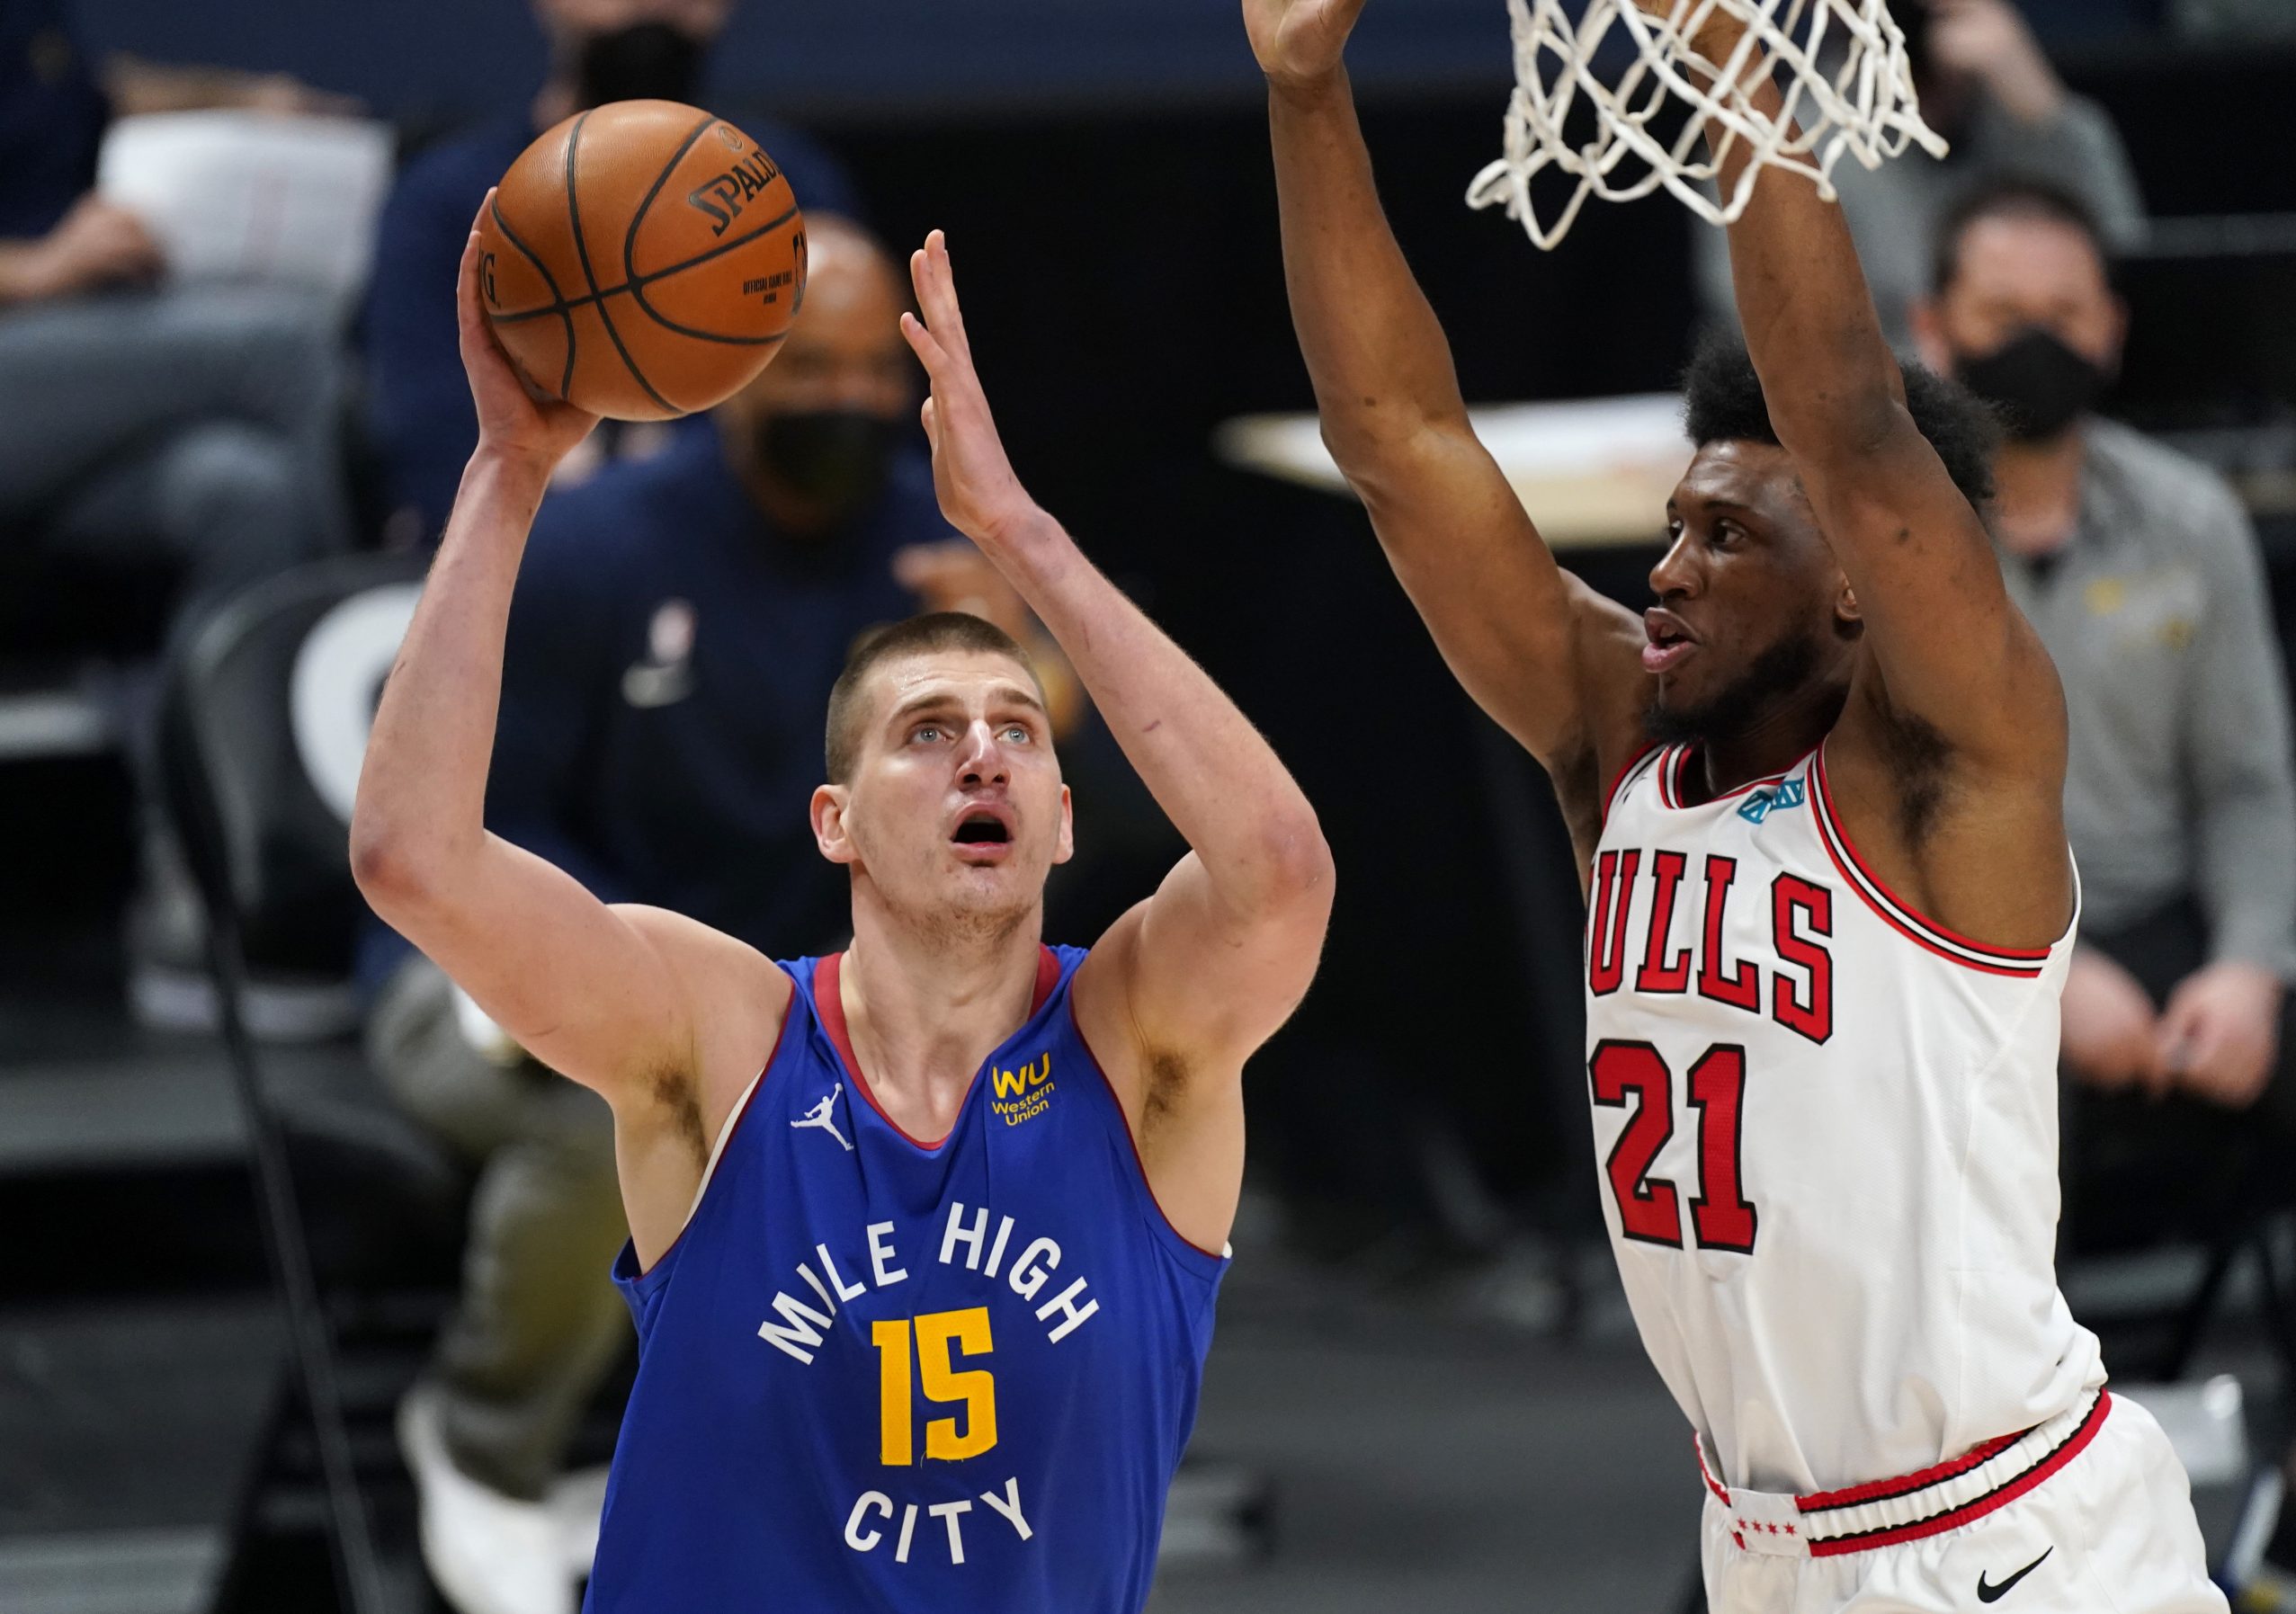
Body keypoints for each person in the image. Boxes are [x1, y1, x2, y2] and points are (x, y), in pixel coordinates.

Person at [1250, 0, 2221, 1607]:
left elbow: (1848, 421)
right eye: (1677, 524)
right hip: (1759, 1547)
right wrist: (1303, 91)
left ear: (1860, 584)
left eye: (1727, 537)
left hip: (2007, 1548)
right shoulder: (1619, 746)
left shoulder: (1949, 776)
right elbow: (1401, 444)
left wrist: (1731, 68)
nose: (1668, 566)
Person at [352, 207, 1332, 1613]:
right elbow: (412, 862)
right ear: (837, 824)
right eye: (927, 732)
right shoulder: (725, 1036)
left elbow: (1281, 869)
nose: (984, 749)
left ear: (1061, 815)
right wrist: (508, 472)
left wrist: (1023, 534)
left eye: (1016, 732)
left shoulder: (1140, 1050)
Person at [1911, 179, 2296, 1132]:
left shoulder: (2190, 519)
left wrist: (2249, 966)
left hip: (2165, 917)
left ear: (2110, 329)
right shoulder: (1886, 542)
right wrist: (2044, 971)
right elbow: (1877, 811)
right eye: (2003, 315)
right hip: (1954, 945)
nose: (2035, 340)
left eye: (2063, 314)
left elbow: (2244, 782)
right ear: (1932, 329)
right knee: (1982, 1103)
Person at [0, 0, 357, 1031]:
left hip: (53, 392)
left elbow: (77, 90)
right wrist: (36, 267)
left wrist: (247, 104)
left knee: (240, 491)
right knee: (284, 347)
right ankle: (337, 824)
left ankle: (198, 877)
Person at [362, 0, 857, 547]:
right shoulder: (446, 204)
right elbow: (434, 468)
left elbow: (835, 450)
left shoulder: (790, 193)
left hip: (744, 575)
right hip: (510, 564)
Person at [1693, 0, 2145, 351]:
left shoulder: (2032, 123)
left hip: (2055, 430)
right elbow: (1780, 349)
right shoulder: (1776, 142)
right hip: (1873, 447)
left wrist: (2043, 118)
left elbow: (2128, 284)